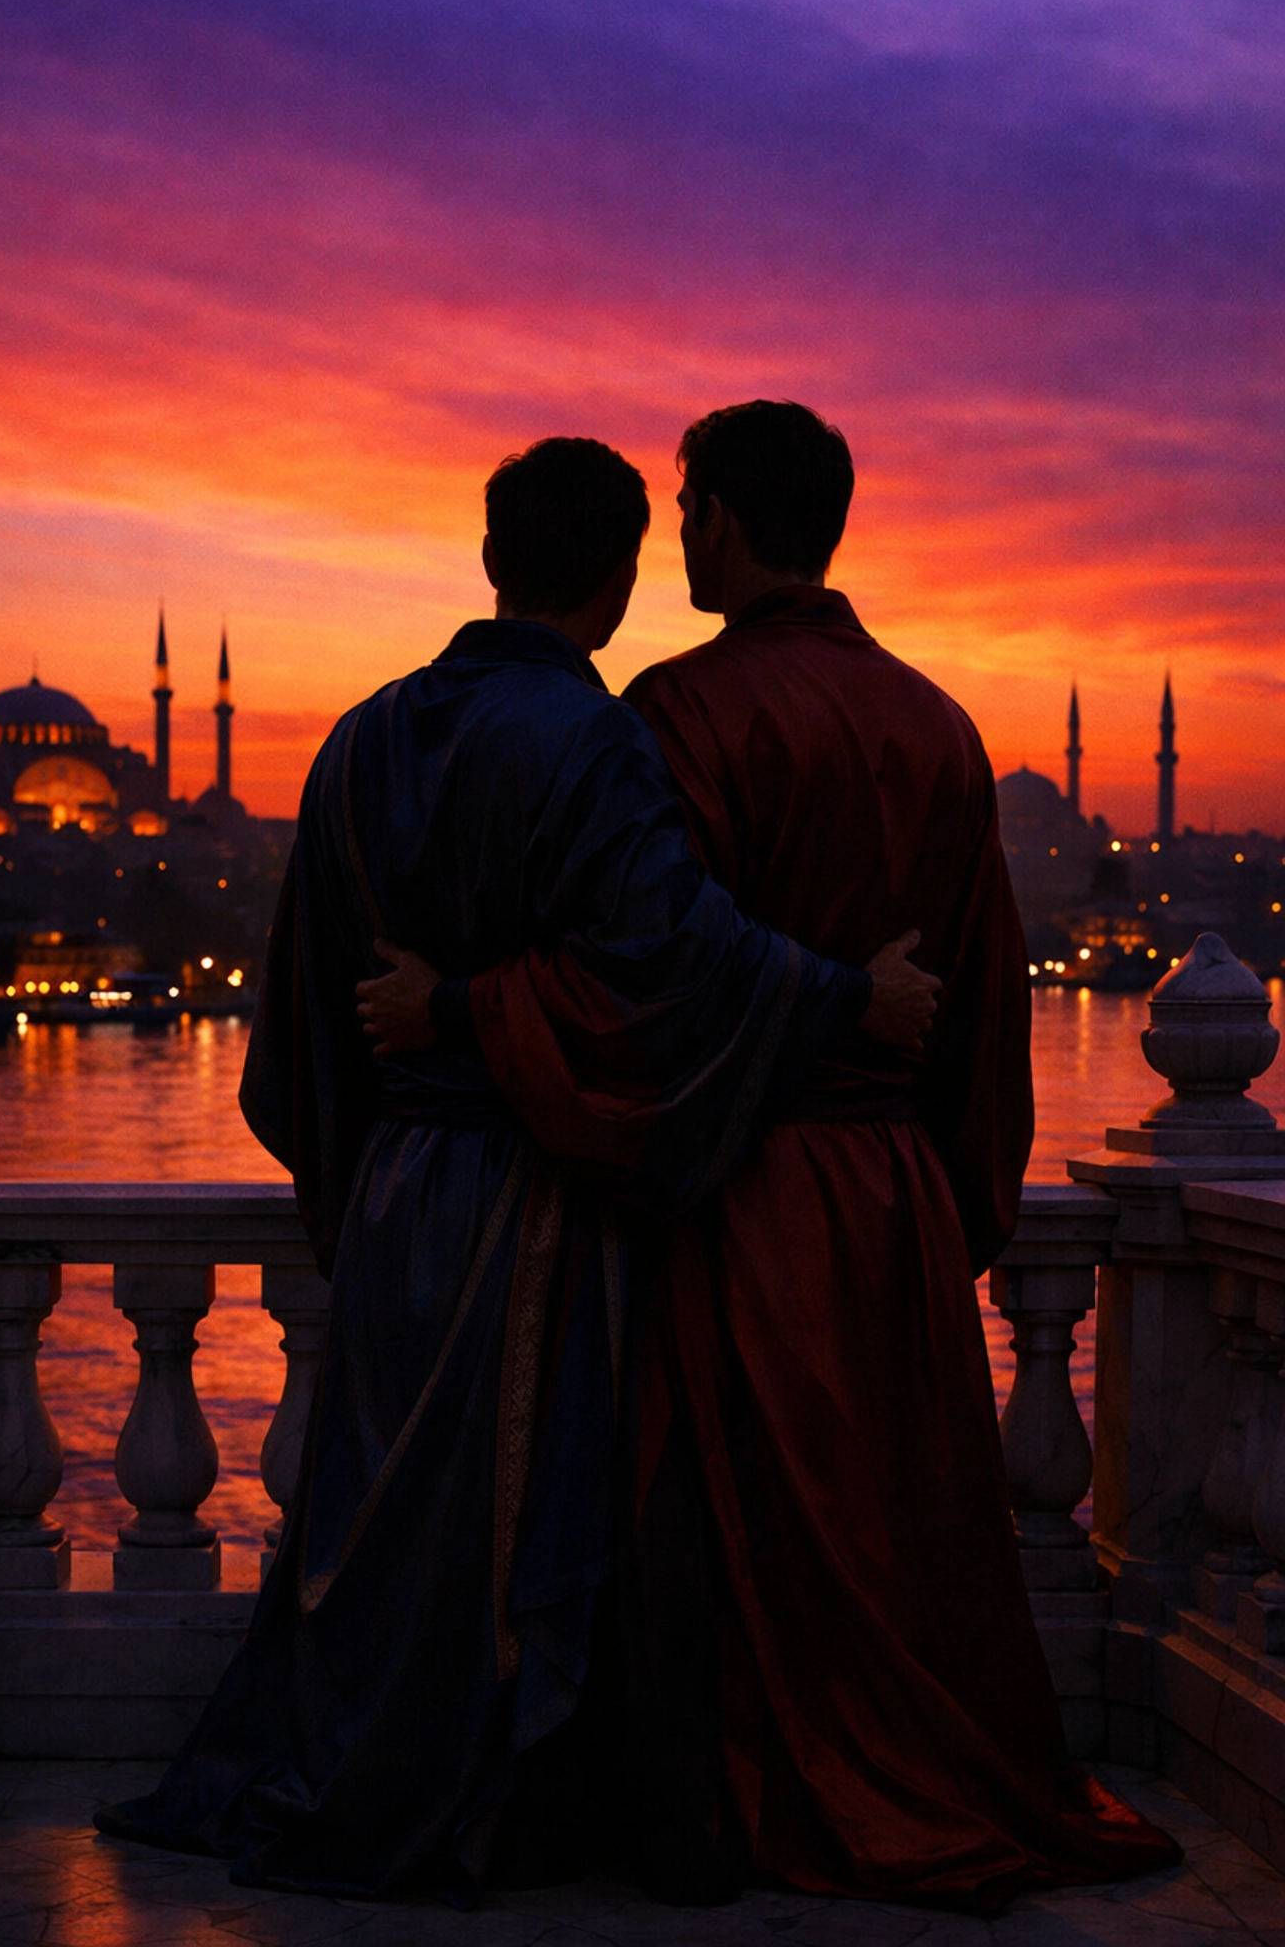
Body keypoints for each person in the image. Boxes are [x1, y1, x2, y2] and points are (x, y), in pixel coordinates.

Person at [94, 435, 937, 1904]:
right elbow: (671, 961)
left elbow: (305, 1021)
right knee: (507, 1526)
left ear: (491, 561)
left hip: (399, 1187)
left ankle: (355, 1766)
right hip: (532, 1203)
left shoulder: (357, 736)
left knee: (379, 1524)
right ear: (617, 586)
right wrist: (845, 997)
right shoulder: (596, 743)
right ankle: (483, 1805)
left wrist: (392, 1114)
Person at [362, 402, 1178, 1912]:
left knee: (727, 1542)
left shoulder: (676, 716)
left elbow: (643, 984)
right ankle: (913, 1774)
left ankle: (748, 1801)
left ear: (726, 522)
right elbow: (983, 1021)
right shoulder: (942, 728)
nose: (675, 533)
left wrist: (471, 1015)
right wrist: (948, 1205)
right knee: (893, 1528)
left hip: (733, 1193)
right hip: (889, 1201)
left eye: (685, 507)